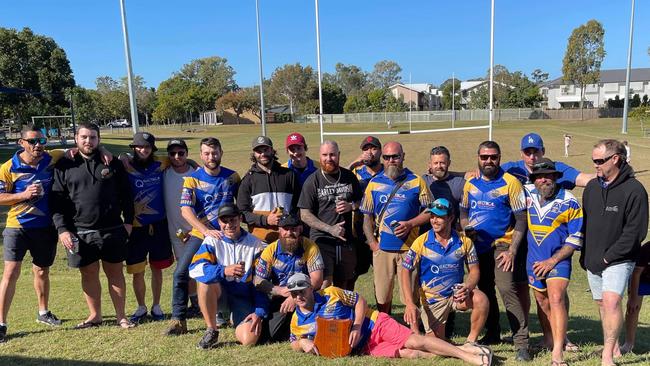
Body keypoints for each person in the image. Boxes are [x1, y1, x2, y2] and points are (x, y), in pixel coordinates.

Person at [286, 272, 492, 365]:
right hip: (365, 347)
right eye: (294, 294)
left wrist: (357, 327)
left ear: (311, 289)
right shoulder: (297, 321)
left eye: (302, 291)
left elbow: (359, 301)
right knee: (411, 354)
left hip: (375, 324)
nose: (299, 297)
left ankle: (469, 358)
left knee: (415, 340)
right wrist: (302, 342)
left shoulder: (331, 293)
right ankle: (460, 351)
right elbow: (294, 342)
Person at [51, 122, 135, 329]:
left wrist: (128, 222)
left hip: (113, 230)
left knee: (115, 274)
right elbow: (57, 201)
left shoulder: (111, 162)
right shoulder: (64, 164)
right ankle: (95, 316)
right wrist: (62, 230)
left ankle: (121, 316)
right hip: (80, 232)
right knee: (88, 275)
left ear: (99, 139)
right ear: (76, 138)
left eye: (93, 137)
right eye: (84, 137)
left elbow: (126, 195)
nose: (89, 141)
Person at [460, 140, 530, 361]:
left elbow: (521, 220)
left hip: (502, 246)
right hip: (476, 246)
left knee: (506, 288)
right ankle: (493, 333)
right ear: (478, 158)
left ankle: (522, 343)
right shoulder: (470, 183)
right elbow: (463, 212)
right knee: (485, 289)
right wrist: (465, 229)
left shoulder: (511, 183)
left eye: (493, 157)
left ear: (499, 157)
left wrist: (512, 250)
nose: (488, 161)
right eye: (484, 157)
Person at [581, 139, 648, 366]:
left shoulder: (635, 191)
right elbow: (586, 224)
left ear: (615, 159)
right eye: (593, 161)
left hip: (619, 259)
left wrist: (608, 257)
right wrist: (587, 257)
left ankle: (607, 356)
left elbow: (635, 233)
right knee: (603, 305)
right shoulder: (591, 188)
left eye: (599, 161)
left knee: (611, 302)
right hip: (593, 259)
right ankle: (615, 347)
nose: (595, 166)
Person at [165, 137, 240, 336]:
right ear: (201, 155)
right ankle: (178, 319)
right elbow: (185, 210)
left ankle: (234, 311)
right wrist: (205, 231)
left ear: (221, 153)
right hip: (202, 234)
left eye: (214, 153)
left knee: (235, 272)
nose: (211, 157)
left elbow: (242, 206)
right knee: (181, 272)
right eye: (206, 153)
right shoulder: (192, 179)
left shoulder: (233, 177)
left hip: (228, 234)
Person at [0, 127, 65, 342]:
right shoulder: (8, 167)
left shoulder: (51, 159)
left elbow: (74, 150)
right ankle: (1, 324)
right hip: (16, 227)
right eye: (33, 141)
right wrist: (23, 195)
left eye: (42, 141)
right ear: (21, 142)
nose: (38, 145)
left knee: (41, 272)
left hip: (45, 228)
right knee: (11, 272)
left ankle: (43, 312)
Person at [401, 198, 488, 344]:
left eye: (439, 216)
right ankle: (444, 341)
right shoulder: (420, 242)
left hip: (456, 295)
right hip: (433, 300)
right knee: (437, 347)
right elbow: (405, 271)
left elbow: (474, 271)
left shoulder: (465, 242)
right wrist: (410, 303)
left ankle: (470, 343)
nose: (434, 220)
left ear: (451, 218)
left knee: (481, 299)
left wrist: (468, 287)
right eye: (432, 216)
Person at [361, 141, 432, 314]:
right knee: (382, 295)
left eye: (395, 156)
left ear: (403, 157)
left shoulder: (416, 181)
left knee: (411, 294)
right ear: (382, 159)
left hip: (409, 249)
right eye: (387, 157)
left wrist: (410, 224)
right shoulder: (374, 184)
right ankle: (386, 327)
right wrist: (372, 244)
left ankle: (412, 330)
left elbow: (431, 211)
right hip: (383, 250)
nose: (391, 160)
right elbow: (366, 218)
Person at [524, 158, 583, 365]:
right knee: (542, 301)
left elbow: (576, 238)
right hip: (533, 260)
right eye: (539, 177)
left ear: (555, 177)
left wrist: (552, 261)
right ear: (533, 180)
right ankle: (549, 338)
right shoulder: (526, 194)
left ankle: (557, 352)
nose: (544, 180)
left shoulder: (569, 200)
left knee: (556, 298)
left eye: (548, 176)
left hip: (559, 260)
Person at [188, 204, 269, 349]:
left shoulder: (256, 244)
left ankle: (233, 317)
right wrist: (224, 270)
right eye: (224, 221)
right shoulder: (212, 240)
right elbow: (195, 270)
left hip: (242, 298)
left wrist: (259, 312)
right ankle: (212, 330)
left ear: (240, 219)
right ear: (219, 222)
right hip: (220, 295)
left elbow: (261, 282)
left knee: (249, 340)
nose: (229, 224)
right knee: (204, 281)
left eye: (233, 220)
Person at [121, 132, 174, 323]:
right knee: (137, 270)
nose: (143, 150)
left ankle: (157, 305)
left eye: (147, 147)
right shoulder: (124, 165)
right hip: (135, 227)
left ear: (152, 149)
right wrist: (118, 156)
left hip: (159, 225)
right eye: (139, 147)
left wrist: (193, 164)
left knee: (157, 268)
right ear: (133, 148)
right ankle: (141, 306)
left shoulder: (161, 162)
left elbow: (181, 159)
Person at [298, 140, 362, 290]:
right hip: (322, 240)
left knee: (346, 283)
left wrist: (351, 206)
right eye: (325, 155)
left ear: (339, 155)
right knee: (324, 283)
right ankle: (322, 313)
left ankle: (342, 312)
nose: (329, 158)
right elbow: (305, 214)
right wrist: (329, 229)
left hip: (345, 240)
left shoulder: (349, 177)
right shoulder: (313, 181)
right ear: (319, 156)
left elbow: (361, 200)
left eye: (332, 154)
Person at [254, 213, 324, 342]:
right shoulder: (270, 250)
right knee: (269, 336)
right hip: (281, 298)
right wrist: (278, 290)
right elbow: (258, 281)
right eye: (286, 229)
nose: (290, 233)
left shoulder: (311, 247)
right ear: (279, 230)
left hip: (307, 296)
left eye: (294, 229)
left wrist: (296, 295)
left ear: (300, 229)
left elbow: (317, 280)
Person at [162, 138, 200, 317]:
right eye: (172, 153)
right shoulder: (164, 172)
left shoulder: (196, 173)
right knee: (183, 269)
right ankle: (193, 302)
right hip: (175, 231)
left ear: (187, 153)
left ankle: (202, 302)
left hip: (197, 230)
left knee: (200, 266)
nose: (177, 157)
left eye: (181, 153)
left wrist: (194, 229)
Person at [238, 136, 299, 244]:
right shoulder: (248, 179)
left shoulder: (289, 175)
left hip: (288, 237)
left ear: (272, 150)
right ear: (254, 154)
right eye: (258, 151)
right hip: (260, 241)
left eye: (266, 150)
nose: (263, 154)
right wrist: (266, 220)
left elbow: (298, 206)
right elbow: (241, 213)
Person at [500, 133, 594, 188]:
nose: (532, 157)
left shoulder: (555, 169)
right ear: (521, 153)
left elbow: (585, 179)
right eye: (527, 152)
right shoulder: (511, 169)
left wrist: (607, 174)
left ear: (543, 151)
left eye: (536, 152)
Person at [348, 136, 384, 281]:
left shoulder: (387, 172)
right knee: (353, 273)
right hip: (359, 232)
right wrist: (353, 163)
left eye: (374, 148)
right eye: (366, 149)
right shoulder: (355, 172)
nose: (369, 152)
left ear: (381, 151)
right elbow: (336, 180)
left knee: (382, 275)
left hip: (381, 232)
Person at [621, 241, 650, 354]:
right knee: (633, 309)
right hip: (641, 279)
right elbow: (636, 274)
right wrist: (632, 298)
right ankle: (628, 344)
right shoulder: (647, 248)